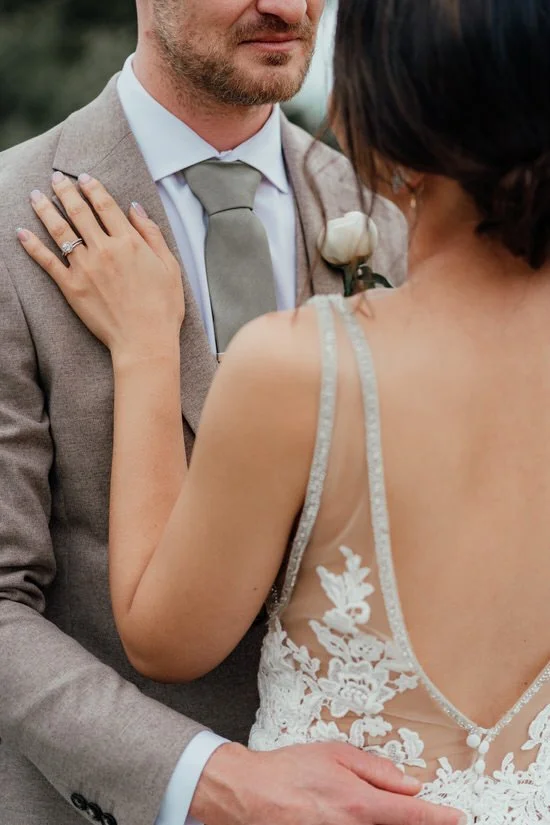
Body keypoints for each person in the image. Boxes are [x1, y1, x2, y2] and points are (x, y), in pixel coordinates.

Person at [20, 0, 550, 821]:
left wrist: (148, 349)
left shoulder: (344, 281)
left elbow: (163, 631)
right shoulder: (12, 216)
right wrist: (202, 777)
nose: (285, 5)